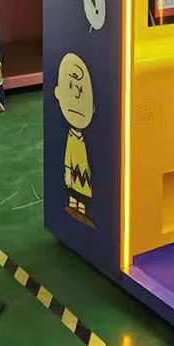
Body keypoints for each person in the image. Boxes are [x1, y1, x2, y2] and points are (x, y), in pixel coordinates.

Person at [54, 52, 95, 228]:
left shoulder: (81, 139)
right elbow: (68, 156)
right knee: (74, 192)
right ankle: (74, 209)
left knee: (82, 192)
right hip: (76, 169)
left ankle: (81, 211)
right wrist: (68, 172)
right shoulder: (72, 137)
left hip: (83, 171)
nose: (77, 95)